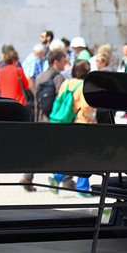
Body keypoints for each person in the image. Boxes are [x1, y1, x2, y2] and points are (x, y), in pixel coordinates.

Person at [20, 50, 69, 191]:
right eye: (63, 60)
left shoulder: (40, 76)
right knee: (61, 150)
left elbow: (37, 100)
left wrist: (36, 119)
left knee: (39, 150)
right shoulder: (58, 77)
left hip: (41, 118)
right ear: (56, 61)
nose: (65, 63)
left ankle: (27, 177)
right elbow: (61, 100)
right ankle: (66, 180)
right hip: (53, 119)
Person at [50, 60, 96, 196]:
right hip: (82, 122)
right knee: (85, 155)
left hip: (68, 121)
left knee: (71, 153)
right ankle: (82, 188)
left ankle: (57, 176)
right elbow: (86, 107)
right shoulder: (83, 86)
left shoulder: (66, 82)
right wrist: (94, 119)